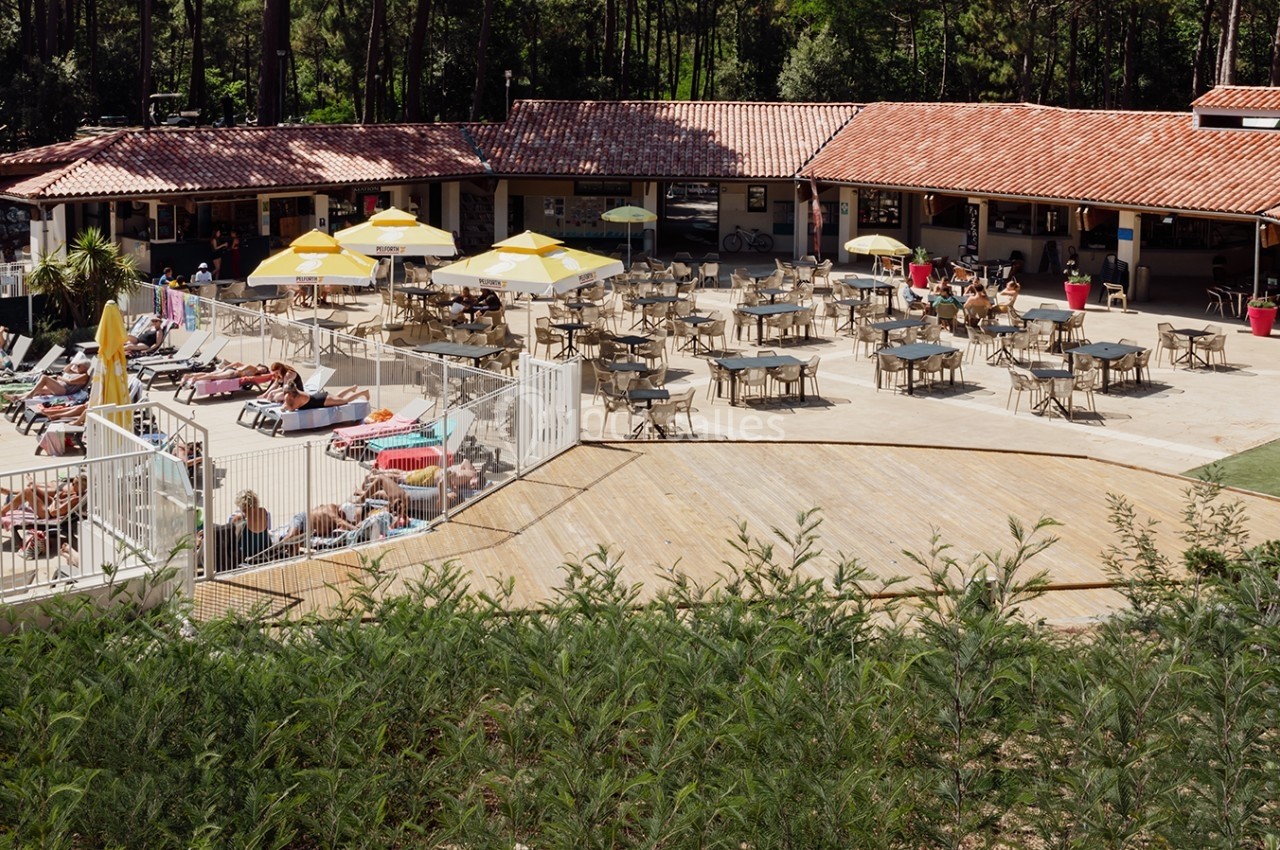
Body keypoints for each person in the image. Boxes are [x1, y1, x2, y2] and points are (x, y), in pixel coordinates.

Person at [0, 473, 84, 520]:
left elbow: (54, 512)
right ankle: (12, 501)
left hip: (46, 513)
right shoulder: (76, 494)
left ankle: (3, 511)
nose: (72, 484)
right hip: (52, 504)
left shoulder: (75, 499)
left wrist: (56, 498)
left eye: (74, 483)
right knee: (33, 489)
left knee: (27, 491)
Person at [230, 489, 272, 562]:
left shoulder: (238, 518)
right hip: (265, 547)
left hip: (247, 552)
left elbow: (231, 536)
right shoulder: (263, 511)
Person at [17, 360, 91, 401]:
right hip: (61, 387)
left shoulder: (84, 376)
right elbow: (65, 370)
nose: (76, 367)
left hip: (64, 390)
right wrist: (73, 363)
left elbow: (71, 382)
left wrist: (60, 378)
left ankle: (29, 396)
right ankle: (16, 397)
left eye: (78, 366)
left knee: (44, 377)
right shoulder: (78, 372)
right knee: (39, 390)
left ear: (85, 367)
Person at [280, 385, 370, 412]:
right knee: (337, 397)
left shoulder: (296, 397)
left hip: (322, 401)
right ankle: (352, 388)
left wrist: (286, 402)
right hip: (321, 397)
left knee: (345, 401)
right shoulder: (297, 393)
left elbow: (291, 409)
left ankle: (363, 392)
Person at [179, 362, 270, 387]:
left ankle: (188, 376)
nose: (262, 370)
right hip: (233, 373)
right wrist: (240, 373)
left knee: (210, 373)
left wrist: (226, 367)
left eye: (264, 371)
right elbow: (240, 369)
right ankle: (196, 378)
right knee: (214, 376)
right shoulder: (253, 368)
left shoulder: (253, 370)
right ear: (259, 366)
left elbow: (237, 363)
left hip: (231, 370)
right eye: (263, 368)